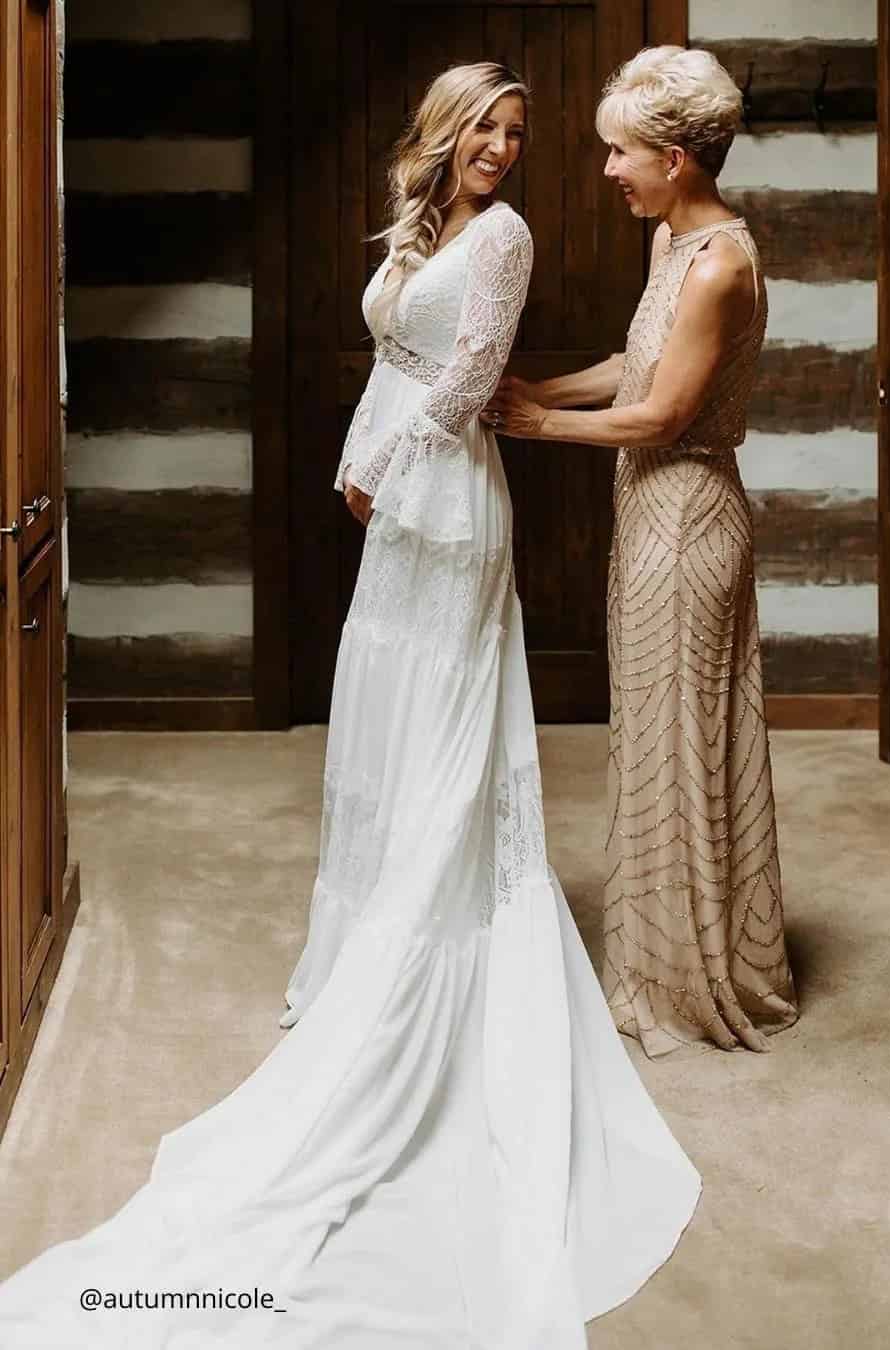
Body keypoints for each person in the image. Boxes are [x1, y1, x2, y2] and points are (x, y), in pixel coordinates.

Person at [0, 61, 701, 1348]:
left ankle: (418, 973)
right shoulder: (419, 224)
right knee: (379, 731)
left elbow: (464, 382)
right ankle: (357, 950)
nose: (500, 147)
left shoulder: (507, 239)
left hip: (448, 508)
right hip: (396, 507)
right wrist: (352, 451)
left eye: (515, 132)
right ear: (439, 129)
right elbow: (396, 349)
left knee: (440, 734)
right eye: (482, 126)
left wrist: (374, 457)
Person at [483, 46, 799, 1059]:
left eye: (620, 153)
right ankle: (668, 951)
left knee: (680, 742)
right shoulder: (674, 243)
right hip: (652, 515)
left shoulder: (719, 264)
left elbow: (661, 414)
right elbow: (632, 365)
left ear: (674, 156)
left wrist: (534, 430)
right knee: (662, 738)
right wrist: (531, 392)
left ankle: (689, 976)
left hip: (688, 515)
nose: (608, 170)